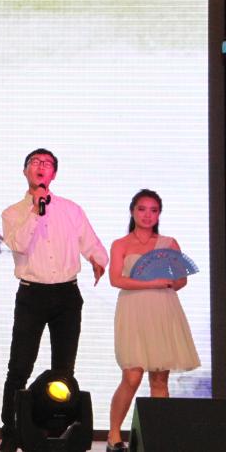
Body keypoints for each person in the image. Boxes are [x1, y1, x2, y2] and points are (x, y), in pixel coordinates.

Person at [0, 149, 108, 452]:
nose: (41, 167)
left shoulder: (71, 209)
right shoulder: (13, 213)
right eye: (35, 162)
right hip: (32, 295)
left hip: (67, 296)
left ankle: (58, 432)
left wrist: (98, 260)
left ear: (54, 174)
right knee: (19, 367)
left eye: (47, 164)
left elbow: (91, 242)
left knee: (64, 369)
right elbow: (19, 244)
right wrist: (36, 209)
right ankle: (10, 432)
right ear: (25, 171)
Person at [105, 189, 199, 451]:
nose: (147, 215)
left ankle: (159, 439)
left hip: (162, 309)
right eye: (142, 209)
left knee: (159, 380)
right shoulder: (120, 244)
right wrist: (152, 281)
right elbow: (116, 279)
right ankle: (114, 435)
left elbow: (181, 280)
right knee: (132, 376)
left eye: (153, 210)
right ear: (132, 211)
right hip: (133, 310)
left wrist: (169, 282)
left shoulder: (169, 243)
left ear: (159, 214)